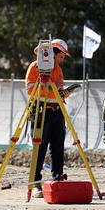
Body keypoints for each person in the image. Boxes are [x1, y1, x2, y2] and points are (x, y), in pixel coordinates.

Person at [25, 38, 72, 198]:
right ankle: (35, 183)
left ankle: (57, 179)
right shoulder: (35, 67)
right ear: (53, 52)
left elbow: (59, 88)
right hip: (40, 110)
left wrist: (64, 92)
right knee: (40, 148)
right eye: (62, 55)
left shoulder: (58, 69)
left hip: (57, 110)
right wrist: (49, 86)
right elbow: (31, 89)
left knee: (58, 147)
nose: (63, 59)